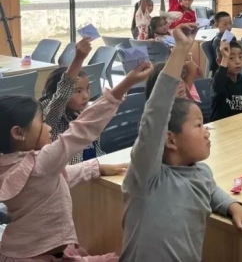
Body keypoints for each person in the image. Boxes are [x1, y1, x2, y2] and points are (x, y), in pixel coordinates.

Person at [120, 24, 242, 261]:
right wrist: (180, 50)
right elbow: (156, 112)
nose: (207, 133)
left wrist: (233, 206)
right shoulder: (146, 176)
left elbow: (210, 190)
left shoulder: (201, 172)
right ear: (170, 139)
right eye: (198, 126)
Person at [0, 60, 153, 261]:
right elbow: (82, 129)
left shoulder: (10, 163)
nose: (49, 127)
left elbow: (55, 178)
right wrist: (126, 83)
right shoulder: (41, 163)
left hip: (20, 251)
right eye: (42, 123)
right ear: (18, 133)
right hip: (39, 254)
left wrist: (96, 167)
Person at [39, 37, 104, 165]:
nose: (86, 96)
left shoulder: (84, 112)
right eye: (78, 91)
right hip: (72, 172)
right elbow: (61, 98)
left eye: (87, 88)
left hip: (94, 167)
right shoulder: (49, 115)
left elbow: (97, 150)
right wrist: (78, 59)